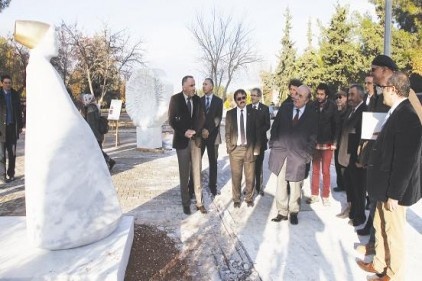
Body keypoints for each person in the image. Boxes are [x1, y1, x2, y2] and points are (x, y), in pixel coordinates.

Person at [356, 72, 422, 281]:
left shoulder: (408, 116)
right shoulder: (395, 111)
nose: (381, 91)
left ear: (392, 89)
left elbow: (405, 162)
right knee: (380, 226)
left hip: (393, 191)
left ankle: (394, 276)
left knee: (394, 234)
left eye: (384, 88)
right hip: (382, 187)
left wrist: (395, 194)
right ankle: (380, 264)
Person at [269, 85, 318, 225]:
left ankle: (294, 212)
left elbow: (313, 137)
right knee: (281, 184)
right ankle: (282, 212)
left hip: (299, 156)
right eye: (296, 94)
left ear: (307, 100)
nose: (296, 97)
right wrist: (273, 144)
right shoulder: (285, 108)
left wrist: (307, 156)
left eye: (300, 96)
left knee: (296, 185)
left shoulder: (312, 114)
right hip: (281, 153)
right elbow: (275, 127)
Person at [168, 75, 206, 215]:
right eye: (191, 85)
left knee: (197, 172)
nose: (194, 88)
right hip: (182, 142)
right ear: (184, 86)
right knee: (184, 174)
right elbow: (172, 120)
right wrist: (184, 131)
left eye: (194, 85)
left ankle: (199, 202)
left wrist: (195, 130)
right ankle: (185, 203)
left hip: (195, 141)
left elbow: (202, 117)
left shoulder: (197, 100)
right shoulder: (175, 99)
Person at [337, 84, 367, 226]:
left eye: (352, 94)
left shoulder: (364, 111)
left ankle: (360, 216)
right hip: (345, 156)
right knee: (350, 187)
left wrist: (361, 158)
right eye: (349, 94)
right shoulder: (350, 110)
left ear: (361, 95)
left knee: (358, 189)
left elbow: (364, 137)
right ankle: (352, 211)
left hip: (356, 158)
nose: (349, 97)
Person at [225, 89, 261, 208]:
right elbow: (227, 133)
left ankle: (249, 198)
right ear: (235, 101)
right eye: (239, 98)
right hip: (235, 150)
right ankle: (236, 199)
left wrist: (256, 148)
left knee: (250, 176)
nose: (242, 100)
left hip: (249, 149)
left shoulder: (254, 113)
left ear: (246, 98)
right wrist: (229, 148)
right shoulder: (230, 114)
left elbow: (258, 133)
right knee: (236, 176)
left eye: (243, 97)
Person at [307, 83, 339, 206]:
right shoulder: (312, 105)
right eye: (318, 94)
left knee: (326, 171)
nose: (319, 96)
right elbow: (309, 124)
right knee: (315, 170)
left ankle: (325, 195)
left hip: (328, 143)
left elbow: (337, 125)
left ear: (326, 95)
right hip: (315, 143)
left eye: (322, 94)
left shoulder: (332, 106)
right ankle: (314, 194)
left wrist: (335, 142)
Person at [200, 78, 223, 197]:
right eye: (203, 84)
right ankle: (193, 185)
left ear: (212, 87)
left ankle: (212, 187)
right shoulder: (199, 101)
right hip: (201, 137)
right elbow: (197, 118)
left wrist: (208, 130)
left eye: (205, 84)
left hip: (213, 137)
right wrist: (202, 130)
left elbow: (218, 118)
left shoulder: (219, 101)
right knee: (196, 161)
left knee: (213, 162)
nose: (203, 86)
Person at [82, 93, 115, 171]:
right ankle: (109, 161)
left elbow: (91, 124)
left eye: (85, 100)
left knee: (97, 151)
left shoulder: (90, 108)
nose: (84, 101)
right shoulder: (94, 106)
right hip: (98, 134)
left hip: (95, 134)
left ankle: (109, 162)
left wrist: (90, 135)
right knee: (98, 150)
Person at [246, 87, 270, 196]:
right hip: (249, 143)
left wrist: (258, 131)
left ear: (259, 97)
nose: (252, 97)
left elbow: (267, 125)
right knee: (249, 166)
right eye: (251, 95)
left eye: (254, 95)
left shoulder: (264, 109)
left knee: (259, 166)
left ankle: (259, 188)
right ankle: (249, 187)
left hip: (260, 142)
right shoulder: (246, 108)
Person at [0, 75, 23, 183]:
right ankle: (2, 176)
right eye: (6, 82)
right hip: (1, 130)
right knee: (1, 154)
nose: (8, 84)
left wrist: (20, 126)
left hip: (12, 129)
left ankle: (11, 174)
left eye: (9, 82)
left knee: (12, 153)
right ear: (2, 83)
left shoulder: (15, 95)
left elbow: (19, 111)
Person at [333, 90, 348, 192]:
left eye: (340, 97)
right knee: (337, 164)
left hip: (346, 142)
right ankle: (340, 184)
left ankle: (346, 185)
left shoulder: (349, 110)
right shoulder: (336, 111)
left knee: (344, 165)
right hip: (337, 141)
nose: (338, 99)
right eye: (336, 97)